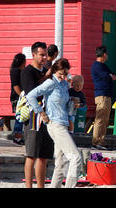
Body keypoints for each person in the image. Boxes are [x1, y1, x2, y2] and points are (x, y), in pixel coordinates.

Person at [26, 58, 82, 188]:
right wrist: (41, 112)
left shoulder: (64, 84)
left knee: (61, 163)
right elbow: (31, 96)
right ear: (55, 70)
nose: (62, 77)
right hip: (55, 124)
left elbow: (62, 103)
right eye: (60, 74)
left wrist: (72, 103)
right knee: (76, 158)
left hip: (63, 123)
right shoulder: (50, 82)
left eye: (65, 74)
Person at [20, 41, 53, 189]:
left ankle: (41, 186)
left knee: (44, 155)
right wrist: (46, 77)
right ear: (33, 55)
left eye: (45, 55)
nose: (44, 58)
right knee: (31, 154)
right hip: (34, 115)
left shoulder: (45, 70)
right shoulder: (28, 72)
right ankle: (29, 186)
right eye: (41, 55)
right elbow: (31, 93)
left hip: (48, 115)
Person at [91, 46, 116, 150]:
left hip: (107, 95)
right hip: (101, 96)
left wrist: (110, 76)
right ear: (104, 54)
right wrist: (110, 76)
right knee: (100, 119)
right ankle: (95, 142)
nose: (107, 56)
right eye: (107, 54)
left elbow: (112, 75)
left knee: (105, 120)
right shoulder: (96, 66)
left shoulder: (104, 66)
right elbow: (107, 76)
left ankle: (101, 142)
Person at [10, 53, 26, 145]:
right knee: (19, 117)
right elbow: (15, 86)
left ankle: (18, 137)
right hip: (17, 97)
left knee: (20, 117)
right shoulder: (16, 71)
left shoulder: (17, 70)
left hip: (19, 96)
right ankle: (17, 138)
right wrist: (22, 96)